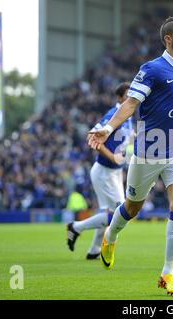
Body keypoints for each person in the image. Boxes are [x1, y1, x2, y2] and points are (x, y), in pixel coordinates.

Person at [88, 15, 173, 296]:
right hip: (148, 151)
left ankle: (167, 273)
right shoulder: (152, 69)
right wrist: (108, 128)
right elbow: (132, 103)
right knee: (132, 208)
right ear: (168, 39)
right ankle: (111, 235)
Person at [66, 82, 133, 260]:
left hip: (115, 172)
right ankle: (76, 227)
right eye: (127, 95)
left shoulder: (129, 114)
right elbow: (92, 136)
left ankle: (94, 250)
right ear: (119, 98)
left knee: (110, 212)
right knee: (118, 213)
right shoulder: (113, 114)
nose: (130, 97)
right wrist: (112, 156)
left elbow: (126, 140)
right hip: (105, 170)